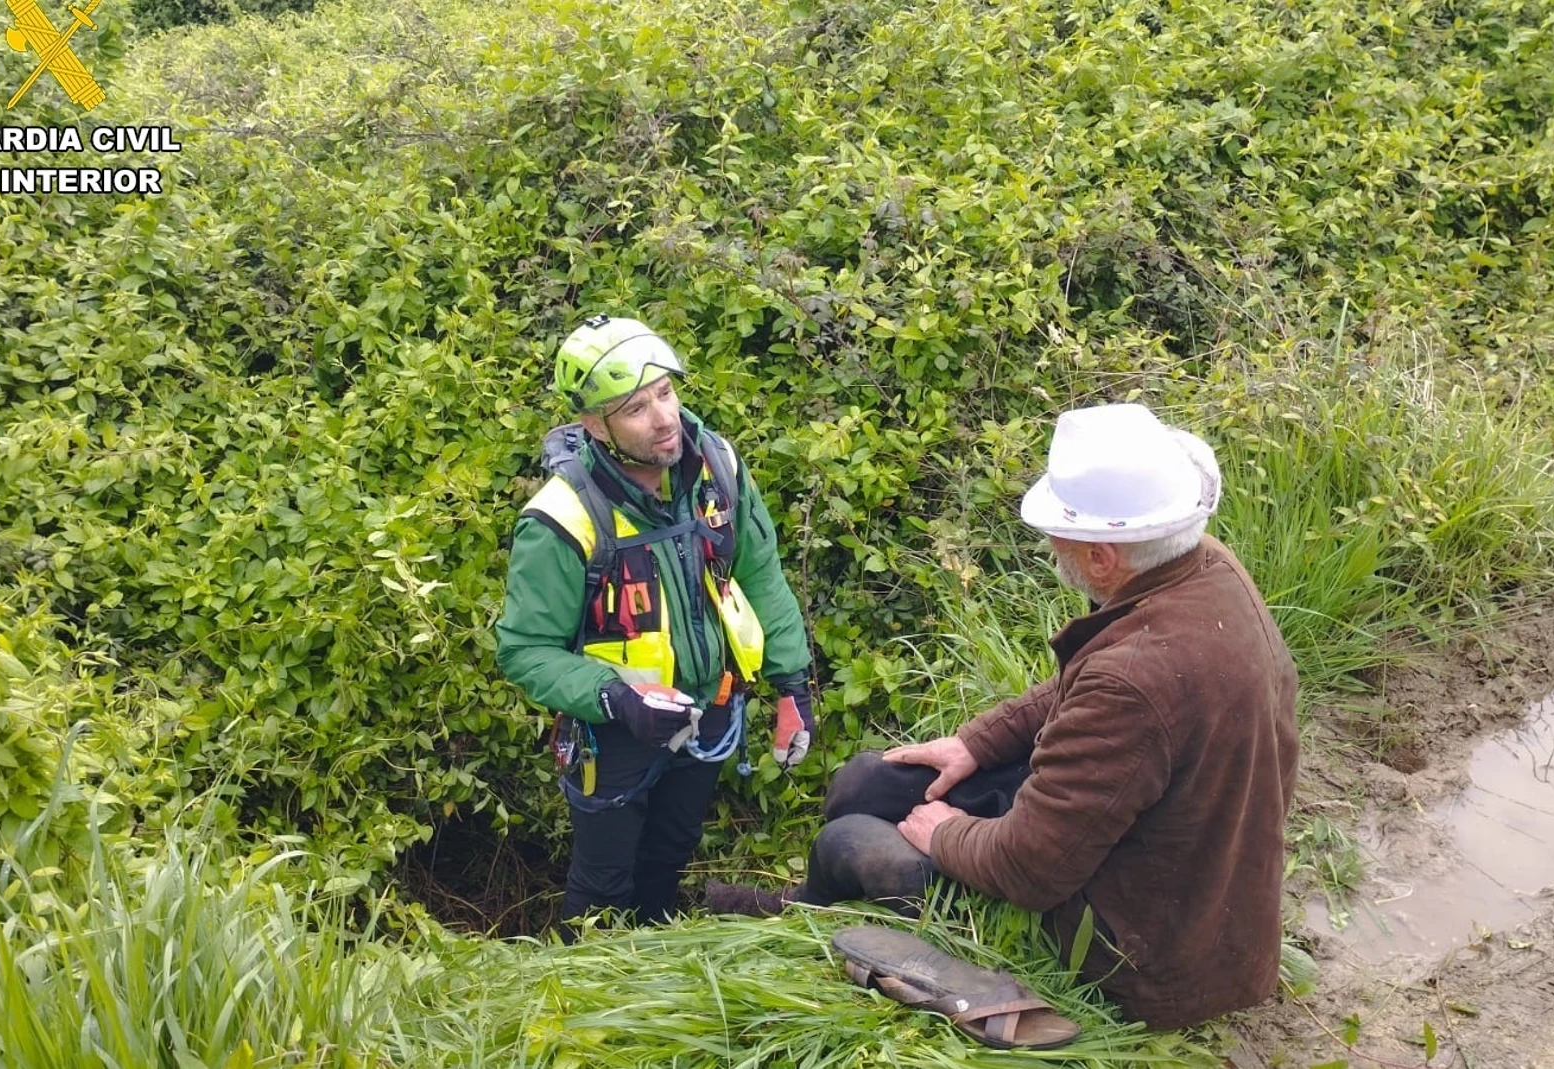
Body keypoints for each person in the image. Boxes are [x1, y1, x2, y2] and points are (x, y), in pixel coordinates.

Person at [707, 402, 1300, 1031]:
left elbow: (1030, 868)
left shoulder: (1132, 680)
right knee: (867, 782)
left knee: (849, 840)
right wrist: (975, 743)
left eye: (1059, 531)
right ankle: (817, 901)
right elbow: (1091, 684)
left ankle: (816, 915)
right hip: (1175, 864)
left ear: (1103, 557)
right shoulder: (1201, 568)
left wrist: (945, 834)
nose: (1051, 546)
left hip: (1137, 953)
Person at [497, 314, 816, 933]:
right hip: (614, 732)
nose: (665, 417)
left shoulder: (717, 467)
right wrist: (615, 698)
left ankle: (661, 973)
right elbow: (526, 651)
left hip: (712, 707)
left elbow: (760, 573)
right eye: (637, 408)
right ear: (597, 425)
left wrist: (792, 687)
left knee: (668, 859)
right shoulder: (561, 519)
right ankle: (587, 983)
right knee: (603, 885)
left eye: (665, 393)